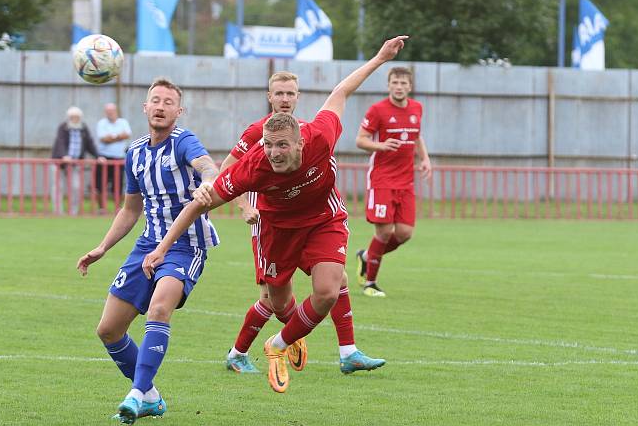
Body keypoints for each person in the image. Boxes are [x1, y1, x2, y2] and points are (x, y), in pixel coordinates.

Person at [142, 36, 409, 393]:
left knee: (330, 289)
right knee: (279, 303)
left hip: (322, 220)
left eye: (281, 146)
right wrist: (162, 247)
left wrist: (379, 58)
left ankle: (280, 345)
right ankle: (276, 341)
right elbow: (199, 205)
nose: (273, 153)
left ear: (299, 142)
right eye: (268, 146)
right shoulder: (254, 165)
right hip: (277, 231)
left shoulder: (319, 135)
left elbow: (341, 91)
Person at [220, 71, 385, 376]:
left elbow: (339, 97)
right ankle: (239, 352)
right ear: (269, 97)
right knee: (271, 300)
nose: (285, 99)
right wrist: (244, 207)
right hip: (269, 222)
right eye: (279, 93)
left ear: (298, 97)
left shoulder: (307, 133)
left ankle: (347, 351)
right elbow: (226, 171)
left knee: (338, 280)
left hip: (312, 220)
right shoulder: (258, 132)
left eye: (290, 94)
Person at [76, 78, 220, 424]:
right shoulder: (136, 153)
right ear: (144, 107)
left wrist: (209, 181)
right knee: (108, 330)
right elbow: (130, 210)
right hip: (146, 246)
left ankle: (136, 394)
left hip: (186, 245)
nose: (160, 106)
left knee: (159, 308)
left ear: (178, 111)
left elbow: (207, 166)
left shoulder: (184, 141)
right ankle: (152, 396)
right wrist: (103, 247)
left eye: (168, 102)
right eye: (155, 100)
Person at [354, 66, 432, 297]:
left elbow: (416, 136)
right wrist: (382, 145)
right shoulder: (377, 110)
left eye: (403, 83)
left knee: (405, 233)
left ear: (410, 86)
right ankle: (370, 283)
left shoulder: (417, 108)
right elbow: (360, 140)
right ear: (388, 85)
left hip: (406, 180)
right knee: (385, 232)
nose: (399, 87)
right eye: (395, 83)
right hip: (382, 179)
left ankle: (367, 256)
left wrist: (425, 159)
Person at [51, 106, 98, 215]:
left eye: (77, 117)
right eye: (72, 117)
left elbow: (89, 143)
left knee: (76, 187)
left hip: (75, 163)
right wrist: (64, 155)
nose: (74, 119)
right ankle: (58, 212)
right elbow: (60, 142)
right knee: (58, 187)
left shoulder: (83, 128)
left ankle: (73, 212)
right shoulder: (63, 127)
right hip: (59, 162)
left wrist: (98, 156)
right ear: (68, 117)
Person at [94, 103, 132, 214]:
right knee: (100, 184)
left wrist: (112, 136)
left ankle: (117, 208)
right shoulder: (101, 123)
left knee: (119, 184)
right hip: (104, 158)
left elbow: (127, 135)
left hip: (119, 158)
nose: (110, 113)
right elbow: (104, 139)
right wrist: (118, 136)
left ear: (116, 111)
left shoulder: (123, 122)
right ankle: (101, 208)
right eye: (108, 111)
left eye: (112, 111)